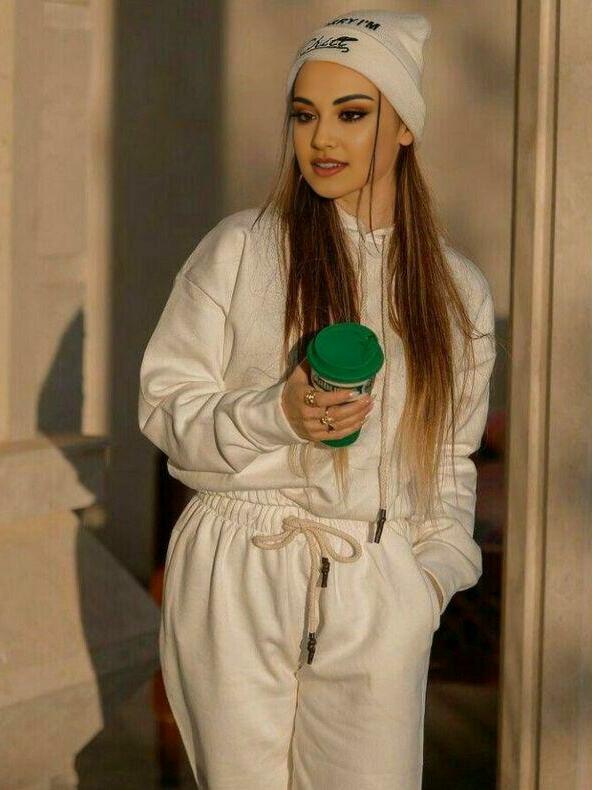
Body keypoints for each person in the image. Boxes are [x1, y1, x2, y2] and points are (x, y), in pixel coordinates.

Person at [138, 8, 497, 789]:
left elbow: (450, 457)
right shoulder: (240, 249)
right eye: (304, 115)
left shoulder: (455, 291)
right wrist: (277, 414)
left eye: (352, 114)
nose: (322, 138)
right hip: (238, 565)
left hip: (376, 579)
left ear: (406, 127)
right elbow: (166, 409)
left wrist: (429, 579)